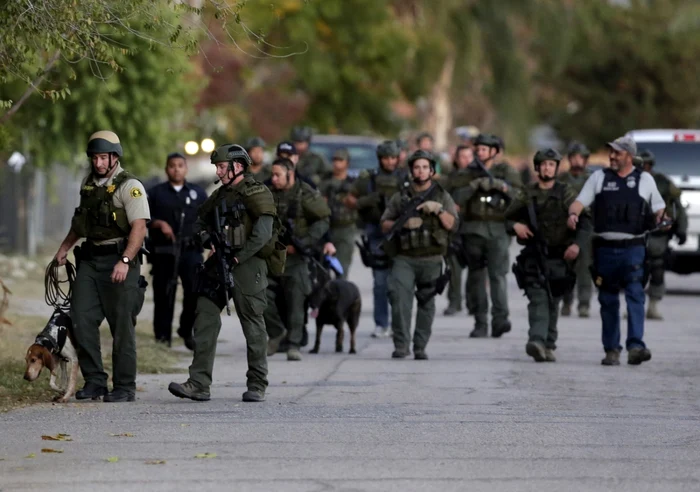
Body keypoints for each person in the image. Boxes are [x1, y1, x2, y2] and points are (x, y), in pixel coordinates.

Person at [168, 144, 278, 402]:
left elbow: (263, 233)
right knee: (204, 314)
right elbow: (199, 221)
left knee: (252, 323)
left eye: (221, 166)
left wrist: (239, 256)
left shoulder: (257, 192)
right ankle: (198, 383)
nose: (217, 171)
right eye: (216, 166)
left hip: (248, 265)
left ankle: (257, 383)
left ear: (237, 166)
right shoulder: (219, 195)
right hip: (219, 263)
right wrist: (210, 240)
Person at [54, 131, 150, 403]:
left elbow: (139, 227)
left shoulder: (130, 186)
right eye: (94, 158)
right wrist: (64, 248)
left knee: (121, 325)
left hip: (120, 258)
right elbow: (80, 224)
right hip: (91, 259)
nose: (98, 163)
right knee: (80, 318)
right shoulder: (89, 184)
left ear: (114, 158)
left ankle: (124, 386)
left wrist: (126, 261)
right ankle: (95, 381)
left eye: (103, 158)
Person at [568, 136, 667, 366]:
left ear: (629, 157)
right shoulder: (599, 177)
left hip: (633, 249)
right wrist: (573, 213)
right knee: (608, 300)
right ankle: (611, 349)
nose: (612, 156)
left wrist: (663, 218)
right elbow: (579, 202)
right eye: (611, 152)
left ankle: (635, 346)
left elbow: (659, 209)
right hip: (604, 251)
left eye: (617, 153)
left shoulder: (645, 180)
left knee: (635, 295)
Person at [506, 149, 591, 362]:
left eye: (551, 165)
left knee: (554, 301)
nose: (547, 168)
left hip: (561, 256)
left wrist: (577, 246)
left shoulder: (566, 192)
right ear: (537, 168)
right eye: (543, 164)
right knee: (538, 299)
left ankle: (549, 343)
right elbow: (506, 217)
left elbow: (585, 221)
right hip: (535, 255)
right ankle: (536, 340)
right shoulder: (527, 193)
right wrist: (515, 225)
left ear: (556, 167)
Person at [381, 150, 458, 359]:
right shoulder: (401, 196)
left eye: (425, 167)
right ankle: (401, 345)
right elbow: (384, 224)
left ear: (431, 170)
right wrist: (402, 223)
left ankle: (420, 346)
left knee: (426, 303)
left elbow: (452, 224)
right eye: (416, 167)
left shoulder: (442, 195)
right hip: (405, 257)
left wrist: (439, 210)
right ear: (411, 171)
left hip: (432, 258)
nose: (421, 171)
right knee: (398, 299)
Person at [456, 133, 522, 338]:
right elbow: (454, 199)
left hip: (498, 230)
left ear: (494, 152)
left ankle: (500, 319)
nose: (480, 152)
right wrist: (474, 186)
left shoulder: (506, 171)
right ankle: (480, 321)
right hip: (473, 230)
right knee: (476, 276)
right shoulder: (468, 172)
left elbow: (521, 197)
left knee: (498, 276)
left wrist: (502, 186)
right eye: (478, 149)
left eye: (485, 149)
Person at [264, 158, 331, 361]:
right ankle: (276, 333)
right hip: (271, 256)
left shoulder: (306, 194)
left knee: (296, 300)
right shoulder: (266, 193)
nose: (273, 179)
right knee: (259, 294)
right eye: (272, 174)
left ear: (290, 174)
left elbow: (323, 219)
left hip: (296, 257)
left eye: (278, 175)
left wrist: (306, 242)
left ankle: (294, 344)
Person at [146, 153, 207, 350]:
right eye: (172, 166)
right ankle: (163, 339)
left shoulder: (198, 193)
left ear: (186, 168)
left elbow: (207, 220)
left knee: (194, 291)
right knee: (164, 294)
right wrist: (159, 223)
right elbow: (144, 218)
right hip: (164, 251)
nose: (176, 169)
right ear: (167, 169)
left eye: (180, 165)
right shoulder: (155, 193)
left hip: (191, 250)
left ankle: (186, 329)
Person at [346, 140, 407, 338]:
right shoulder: (368, 178)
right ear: (380, 159)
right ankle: (382, 323)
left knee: (400, 283)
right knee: (380, 282)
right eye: (386, 158)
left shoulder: (406, 177)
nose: (390, 162)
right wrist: (368, 200)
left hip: (402, 235)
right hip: (377, 234)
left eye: (393, 158)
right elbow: (350, 200)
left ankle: (401, 323)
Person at [637, 149, 688, 320]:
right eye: (641, 164)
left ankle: (653, 305)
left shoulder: (663, 183)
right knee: (635, 270)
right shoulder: (629, 181)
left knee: (657, 267)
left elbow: (678, 207)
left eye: (646, 164)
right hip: (635, 233)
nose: (644, 168)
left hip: (659, 232)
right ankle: (634, 305)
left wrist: (681, 229)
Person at [557, 142, 594, 318]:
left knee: (585, 268)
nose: (577, 161)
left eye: (581, 157)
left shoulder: (592, 180)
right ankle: (566, 301)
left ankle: (584, 303)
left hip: (586, 228)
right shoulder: (562, 179)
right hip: (565, 229)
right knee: (565, 267)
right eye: (574, 157)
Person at [441, 145, 474, 315]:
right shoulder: (450, 179)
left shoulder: (479, 177)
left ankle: (472, 301)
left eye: (470, 156)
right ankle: (454, 301)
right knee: (453, 266)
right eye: (463, 156)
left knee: (475, 267)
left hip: (474, 226)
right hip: (455, 227)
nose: (466, 160)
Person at [319, 148, 357, 277]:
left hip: (346, 229)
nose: (337, 163)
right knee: (322, 271)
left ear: (347, 163)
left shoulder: (353, 183)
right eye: (335, 160)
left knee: (342, 270)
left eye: (340, 160)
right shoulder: (324, 183)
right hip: (326, 228)